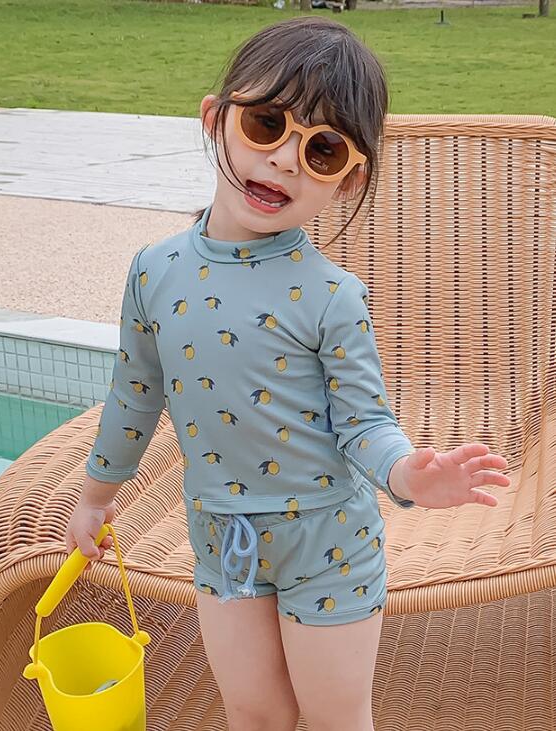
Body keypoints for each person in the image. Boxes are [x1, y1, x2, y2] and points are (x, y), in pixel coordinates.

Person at [66, 16, 511, 731]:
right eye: (266, 123)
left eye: (322, 149)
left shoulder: (332, 297)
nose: (284, 161)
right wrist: (95, 498)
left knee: (335, 715)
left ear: (349, 178)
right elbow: (135, 394)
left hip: (327, 543)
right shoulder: (154, 271)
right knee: (254, 711)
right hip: (225, 537)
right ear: (215, 119)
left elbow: (364, 423)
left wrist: (408, 476)